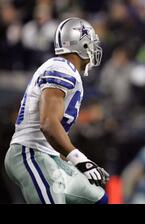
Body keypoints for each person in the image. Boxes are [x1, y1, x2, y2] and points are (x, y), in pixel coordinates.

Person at [4, 18, 109, 204]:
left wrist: (76, 164)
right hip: (30, 152)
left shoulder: (67, 71)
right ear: (82, 44)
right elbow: (48, 124)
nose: (93, 49)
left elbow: (53, 135)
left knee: (97, 199)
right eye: (91, 43)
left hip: (48, 155)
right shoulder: (61, 69)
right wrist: (80, 160)